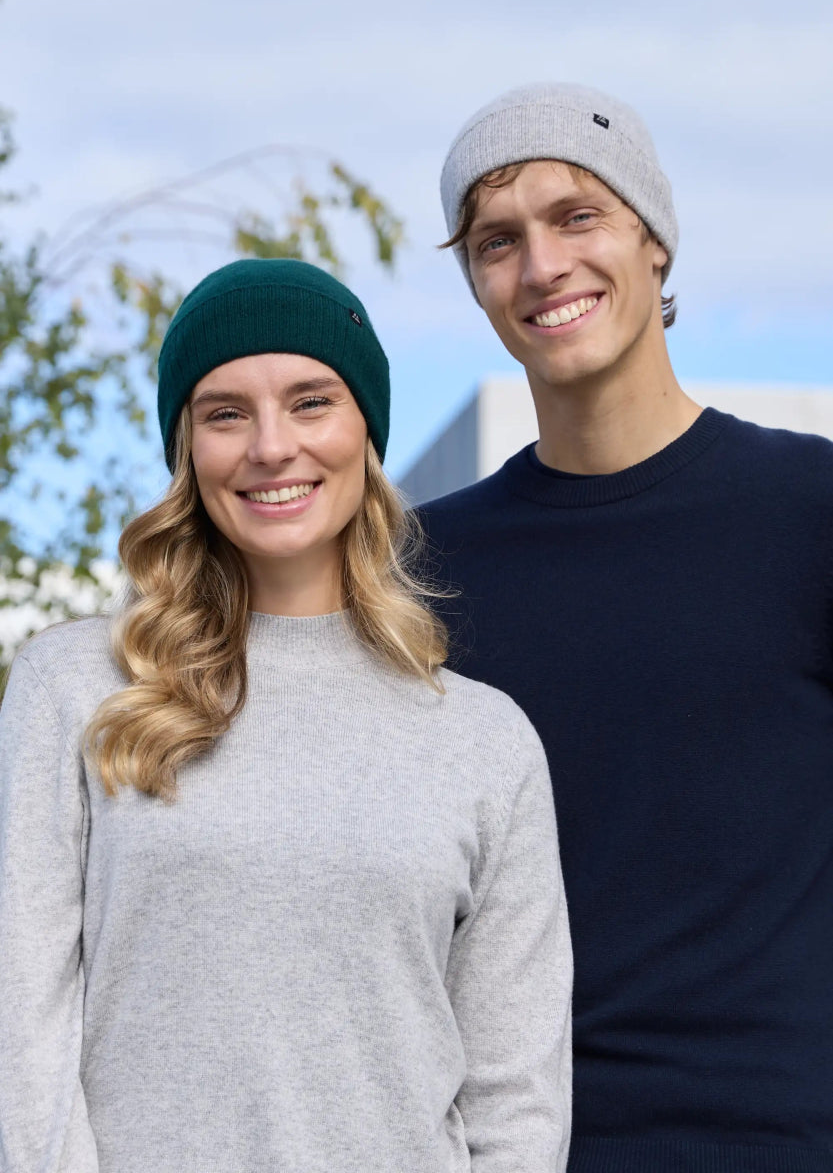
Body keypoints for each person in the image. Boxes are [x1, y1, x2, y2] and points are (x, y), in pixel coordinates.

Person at [0, 258, 572, 1173]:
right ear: (187, 449)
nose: (271, 446)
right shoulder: (72, 689)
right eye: (225, 413)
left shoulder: (483, 741)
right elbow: (19, 1038)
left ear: (365, 430)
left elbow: (517, 1102)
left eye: (311, 402)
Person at [419, 83, 833, 1172]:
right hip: (504, 1148)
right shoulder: (415, 571)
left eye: (577, 217)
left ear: (653, 241)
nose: (541, 266)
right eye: (496, 241)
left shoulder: (810, 510)